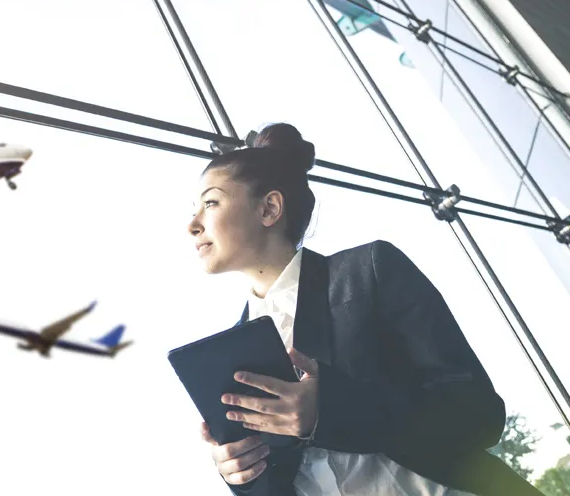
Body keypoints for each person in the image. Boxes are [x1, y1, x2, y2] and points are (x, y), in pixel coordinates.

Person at [187, 123, 543, 496]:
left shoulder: (369, 271)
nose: (193, 224)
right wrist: (241, 475)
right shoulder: (233, 356)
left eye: (210, 203)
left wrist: (329, 410)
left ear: (270, 208)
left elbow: (480, 413)